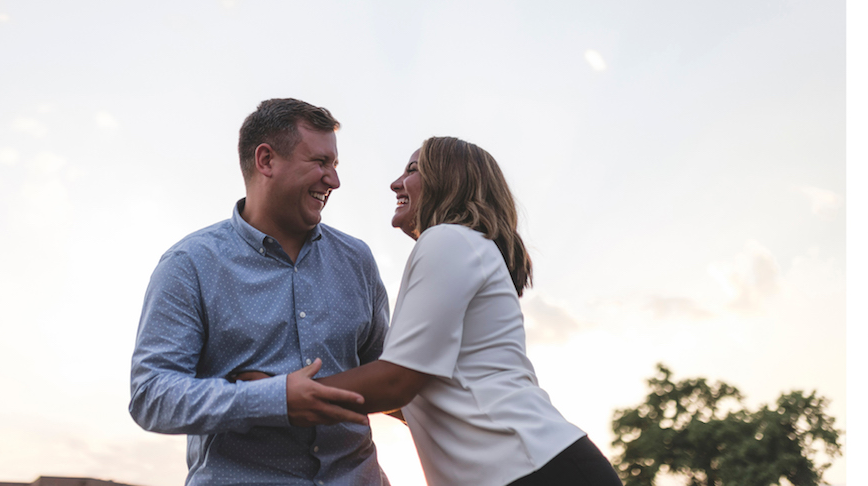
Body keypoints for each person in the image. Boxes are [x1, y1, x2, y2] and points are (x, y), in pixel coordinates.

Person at [265, 136, 619, 486]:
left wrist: (281, 395)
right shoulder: (464, 246)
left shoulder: (448, 239)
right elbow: (417, 395)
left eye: (413, 169)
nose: (396, 183)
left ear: (449, 180)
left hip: (535, 470)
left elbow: (396, 382)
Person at [129, 98, 392, 485]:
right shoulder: (190, 265)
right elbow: (152, 396)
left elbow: (388, 375)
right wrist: (274, 399)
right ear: (266, 160)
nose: (334, 181)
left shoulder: (357, 259)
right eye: (320, 163)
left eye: (335, 166)